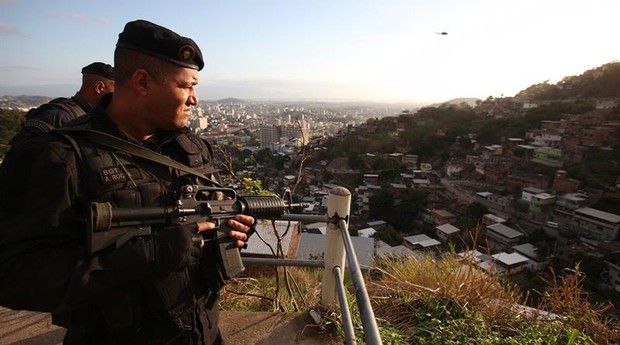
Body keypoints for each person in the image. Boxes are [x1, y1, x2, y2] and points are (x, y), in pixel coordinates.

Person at [0, 19, 255, 345]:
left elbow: (206, 221)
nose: (195, 100)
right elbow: (12, 275)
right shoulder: (61, 156)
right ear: (143, 82)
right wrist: (147, 254)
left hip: (201, 332)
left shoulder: (192, 148)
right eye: (186, 86)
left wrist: (227, 227)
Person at [8, 62, 115, 147]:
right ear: (99, 88)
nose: (117, 96)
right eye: (116, 90)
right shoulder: (58, 117)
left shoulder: (87, 117)